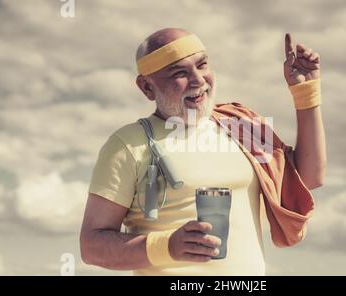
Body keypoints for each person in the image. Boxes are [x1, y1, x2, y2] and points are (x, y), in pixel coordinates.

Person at [80, 28, 326, 275]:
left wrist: (306, 94)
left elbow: (309, 177)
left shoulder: (241, 126)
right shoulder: (127, 144)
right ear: (147, 87)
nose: (198, 80)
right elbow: (92, 246)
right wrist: (167, 246)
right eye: (179, 73)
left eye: (202, 65)